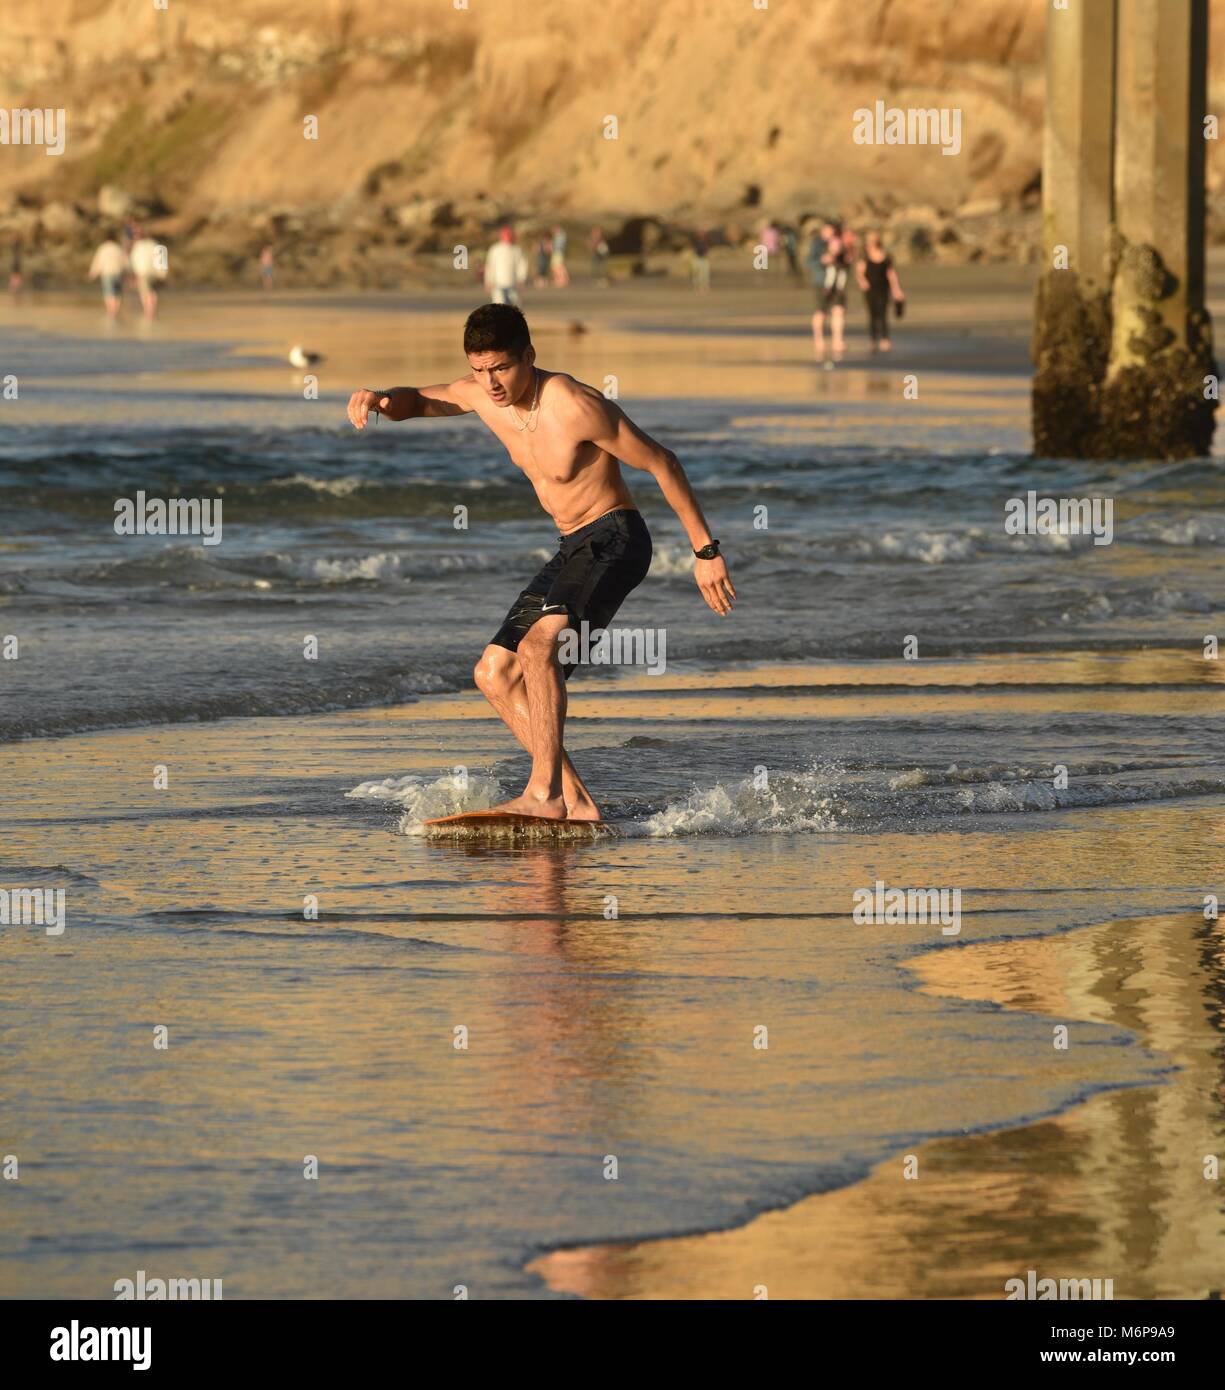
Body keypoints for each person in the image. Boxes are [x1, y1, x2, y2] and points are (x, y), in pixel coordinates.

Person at [345, 303, 736, 822]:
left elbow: (663, 461)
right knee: (494, 672)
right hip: (571, 545)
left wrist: (705, 551)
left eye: (502, 368)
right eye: (480, 369)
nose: (491, 383)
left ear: (529, 356)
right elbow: (421, 401)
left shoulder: (574, 405)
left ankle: (544, 794)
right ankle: (575, 802)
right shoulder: (481, 394)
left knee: (539, 646)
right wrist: (380, 399)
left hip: (615, 538)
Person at [856, 230, 905, 351]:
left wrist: (897, 290)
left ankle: (885, 339)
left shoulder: (886, 257)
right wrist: (862, 282)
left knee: (883, 314)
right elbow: (859, 272)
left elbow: (891, 274)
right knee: (872, 314)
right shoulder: (864, 256)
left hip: (883, 288)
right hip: (870, 290)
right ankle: (873, 340)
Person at [810, 219, 850, 366]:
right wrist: (823, 260)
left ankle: (837, 340)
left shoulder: (842, 242)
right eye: (827, 230)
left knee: (839, 310)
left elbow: (849, 260)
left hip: (839, 282)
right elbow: (809, 261)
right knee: (821, 312)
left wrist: (843, 255)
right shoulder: (817, 244)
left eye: (832, 230)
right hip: (822, 282)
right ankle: (819, 340)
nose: (829, 233)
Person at [483, 225, 528, 305]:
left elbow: (522, 266)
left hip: (513, 283)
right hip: (498, 283)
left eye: (510, 235)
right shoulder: (495, 249)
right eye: (506, 235)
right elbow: (490, 266)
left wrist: (521, 278)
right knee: (499, 306)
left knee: (514, 306)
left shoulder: (517, 250)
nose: (508, 237)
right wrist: (488, 281)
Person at [88, 234, 128, 318]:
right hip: (118, 272)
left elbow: (98, 261)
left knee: (108, 293)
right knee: (118, 293)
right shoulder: (118, 248)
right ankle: (116, 310)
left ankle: (110, 311)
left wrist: (93, 273)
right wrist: (127, 273)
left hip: (107, 273)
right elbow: (125, 262)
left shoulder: (103, 248)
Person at [128, 230, 164, 319]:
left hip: (143, 271)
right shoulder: (155, 244)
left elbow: (133, 260)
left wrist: (133, 273)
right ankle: (153, 308)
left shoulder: (138, 246)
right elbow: (161, 259)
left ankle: (148, 310)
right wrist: (162, 273)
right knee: (153, 292)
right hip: (155, 272)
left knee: (144, 292)